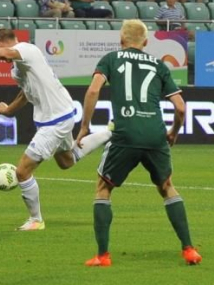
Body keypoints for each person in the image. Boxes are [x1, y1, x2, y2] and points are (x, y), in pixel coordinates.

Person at [77, 19, 201, 267]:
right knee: (167, 186)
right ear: (145, 42)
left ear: (121, 40)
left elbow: (92, 91)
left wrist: (84, 127)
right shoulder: (159, 65)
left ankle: (103, 256)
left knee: (103, 187)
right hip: (155, 134)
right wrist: (173, 132)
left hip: (126, 132)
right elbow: (180, 108)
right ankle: (189, 249)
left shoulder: (111, 59)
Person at [0, 29, 112, 231]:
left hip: (55, 120)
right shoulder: (16, 69)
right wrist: (9, 111)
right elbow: (25, 93)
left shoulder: (26, 49)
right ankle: (110, 132)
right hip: (60, 114)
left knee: (22, 171)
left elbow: (7, 53)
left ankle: (36, 220)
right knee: (66, 161)